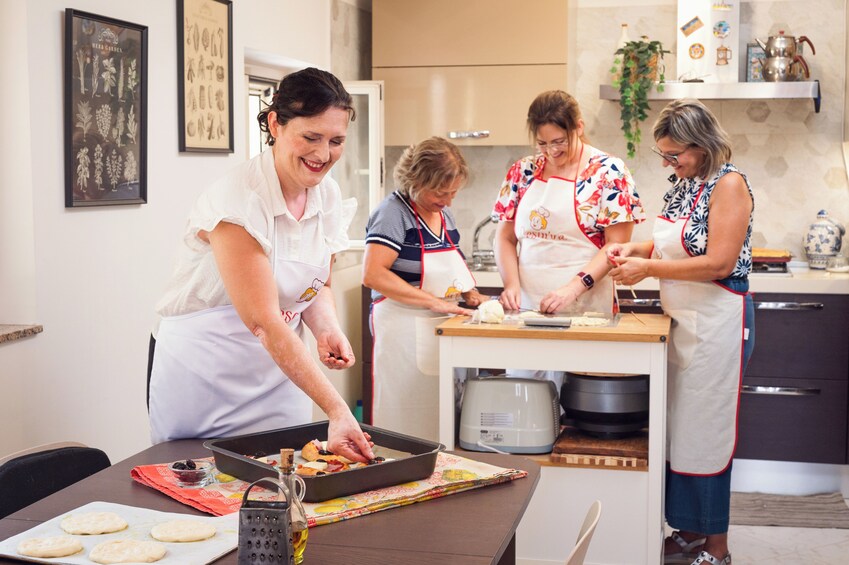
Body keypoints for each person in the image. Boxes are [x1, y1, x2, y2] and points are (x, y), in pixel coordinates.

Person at [148, 68, 373, 463]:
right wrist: (337, 410)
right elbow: (264, 322)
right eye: (310, 137)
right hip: (206, 373)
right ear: (275, 123)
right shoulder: (237, 201)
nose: (323, 155)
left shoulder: (328, 195)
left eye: (336, 141)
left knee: (289, 482)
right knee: (203, 494)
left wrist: (326, 328)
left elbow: (315, 282)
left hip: (280, 373)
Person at [607, 99, 755, 565]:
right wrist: (637, 246)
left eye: (677, 155)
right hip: (685, 321)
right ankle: (690, 532)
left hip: (718, 320)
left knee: (706, 433)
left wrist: (647, 266)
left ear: (703, 143)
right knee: (681, 432)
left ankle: (718, 548)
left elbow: (719, 262)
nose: (670, 164)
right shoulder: (684, 184)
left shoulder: (728, 185)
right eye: (664, 156)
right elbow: (674, 240)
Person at [491, 90, 645, 390]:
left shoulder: (608, 172)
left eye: (560, 141)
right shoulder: (522, 171)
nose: (552, 151)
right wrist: (511, 284)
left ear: (579, 127)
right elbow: (505, 237)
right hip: (526, 310)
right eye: (543, 143)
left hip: (585, 308)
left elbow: (615, 248)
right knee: (524, 399)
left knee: (578, 401)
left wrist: (572, 289)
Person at [363, 137, 484, 441]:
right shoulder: (392, 213)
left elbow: (451, 261)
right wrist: (432, 301)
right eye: (441, 192)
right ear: (416, 180)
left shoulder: (443, 212)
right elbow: (374, 274)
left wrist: (468, 292)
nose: (449, 200)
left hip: (438, 324)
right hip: (401, 327)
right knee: (405, 414)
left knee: (440, 415)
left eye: (453, 192)